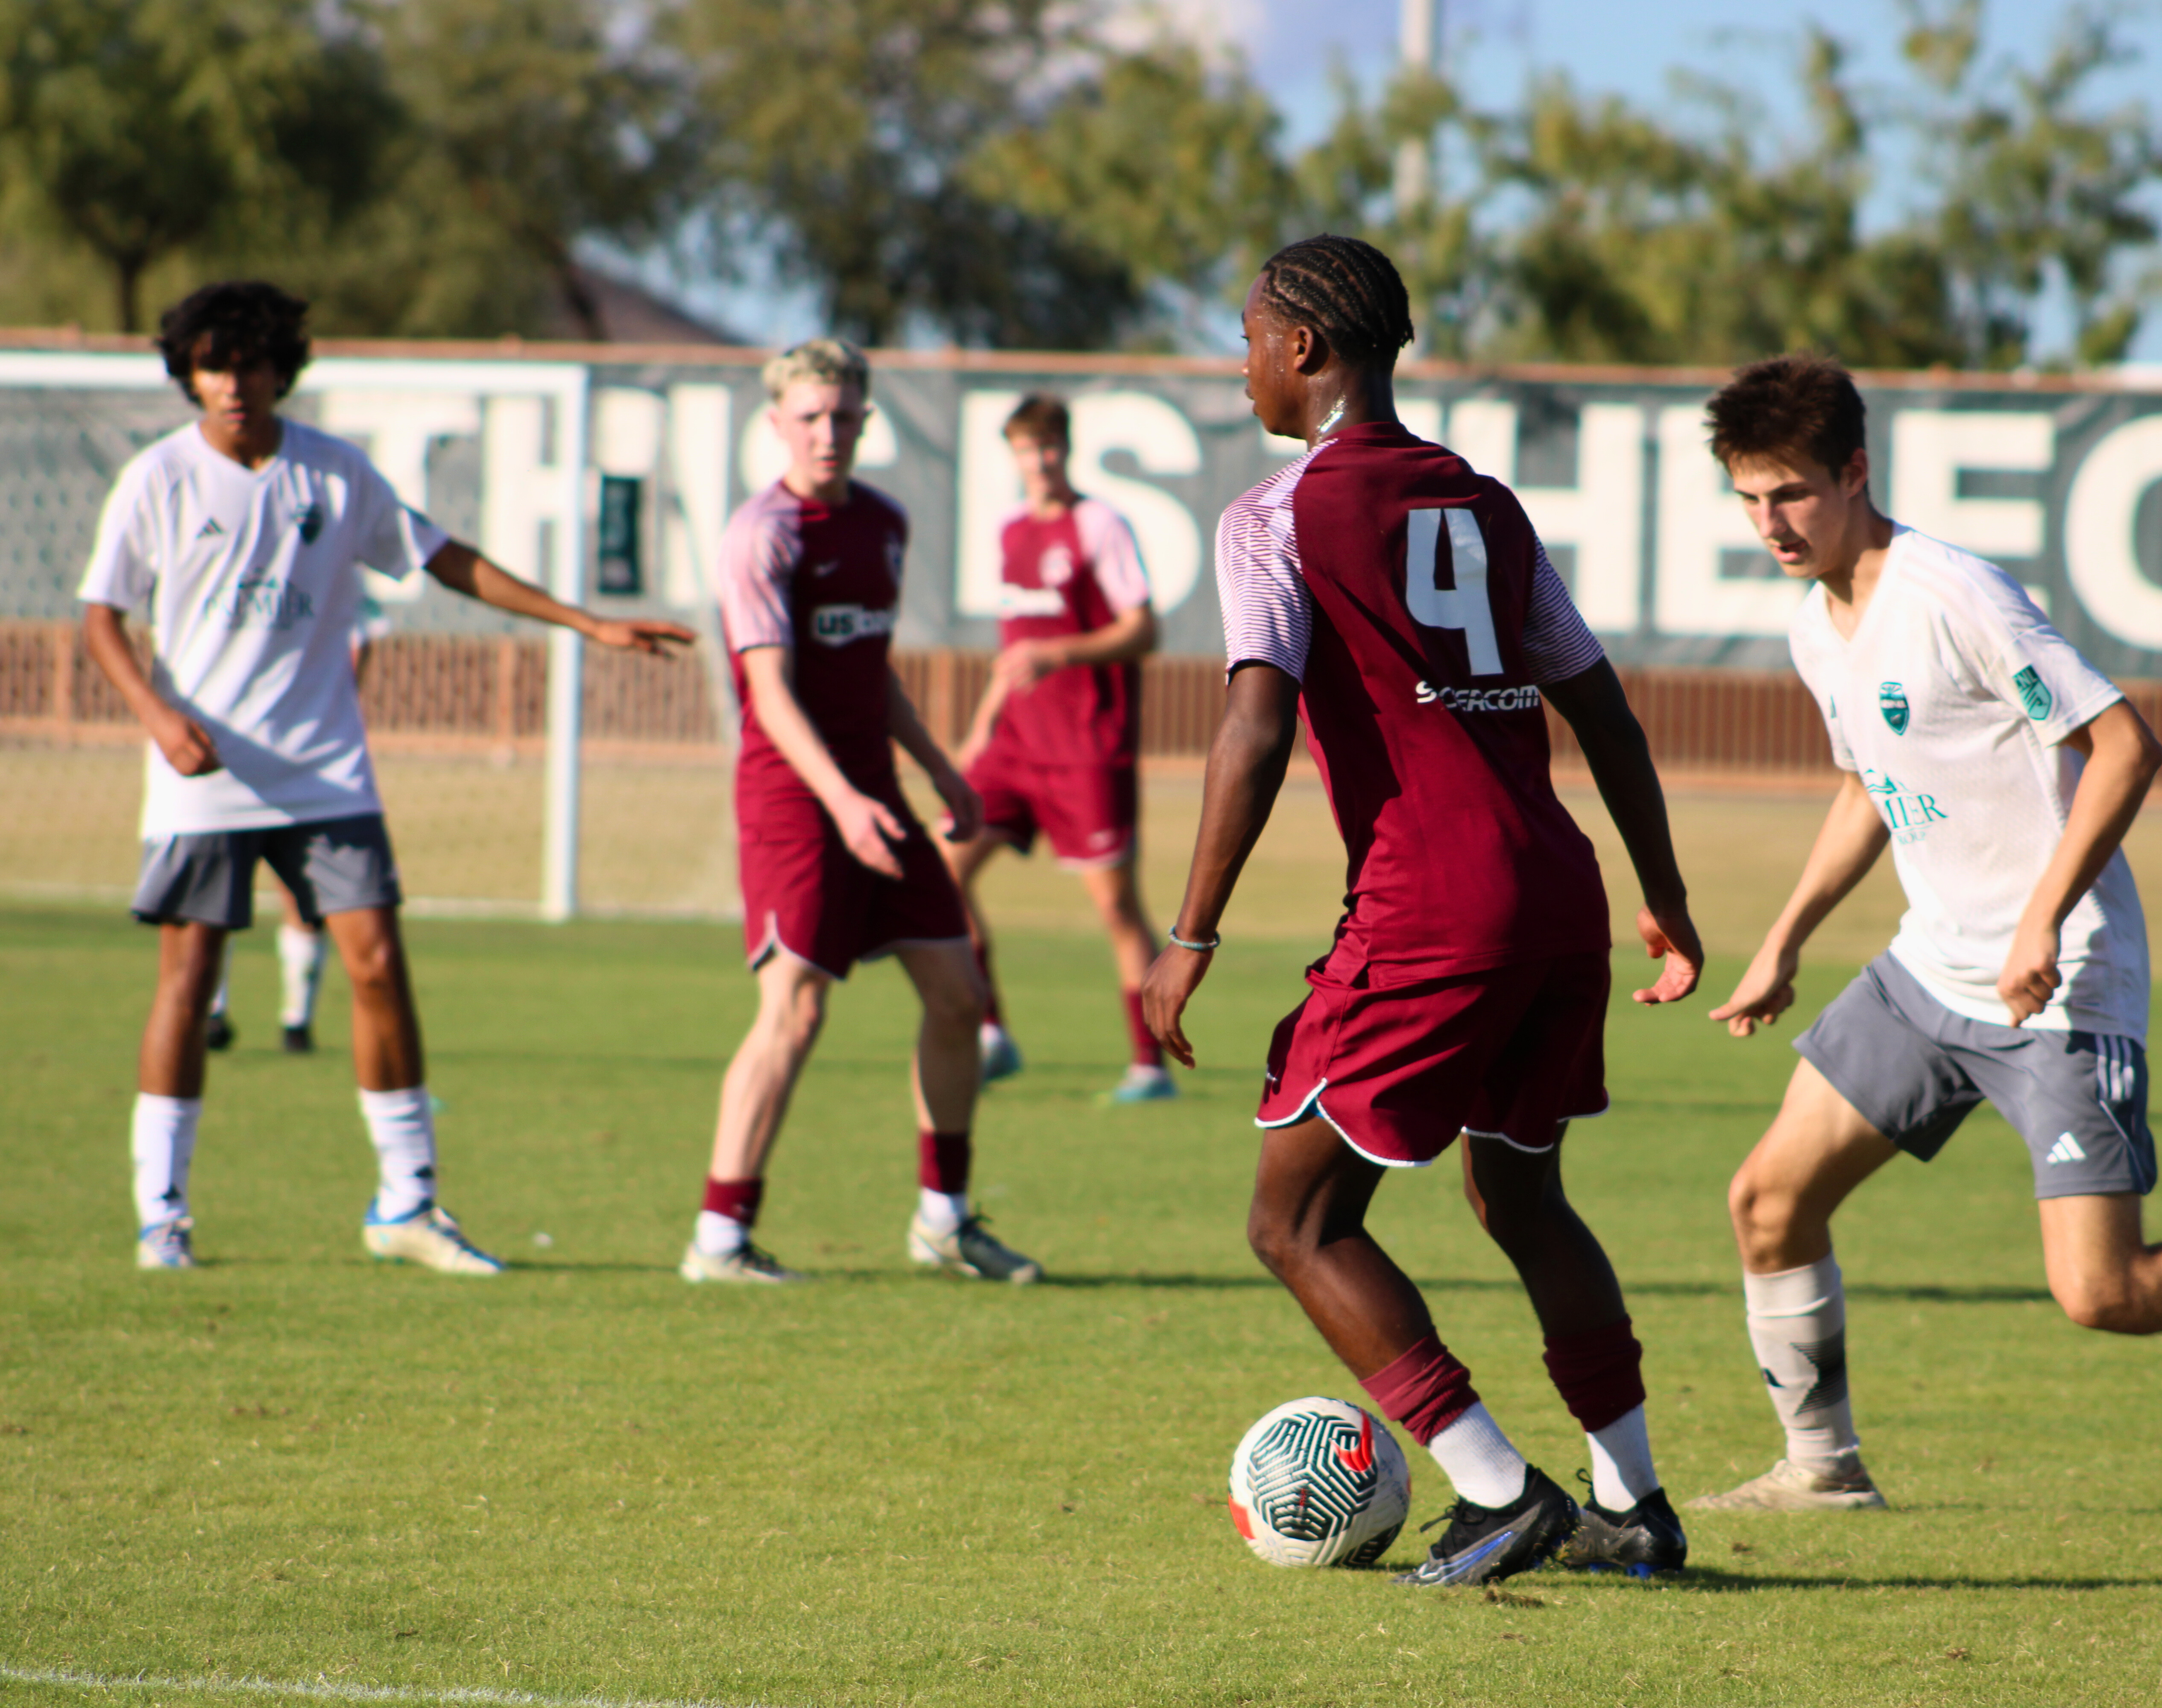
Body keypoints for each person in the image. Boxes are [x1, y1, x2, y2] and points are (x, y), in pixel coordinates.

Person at [1690, 353, 2162, 1512]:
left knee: (2102, 1294)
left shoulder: (1953, 592)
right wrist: (1786, 939)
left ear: (1856, 472)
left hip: (2057, 985)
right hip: (1930, 970)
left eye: (1792, 493)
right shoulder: (1819, 627)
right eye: (1751, 499)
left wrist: (2043, 920)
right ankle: (1822, 1470)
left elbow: (2126, 746)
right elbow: (1868, 786)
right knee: (1767, 1201)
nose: (1772, 522)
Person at [1141, 236, 1707, 1586]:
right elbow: (1603, 711)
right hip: (1557, 891)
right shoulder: (1491, 507)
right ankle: (1632, 1504)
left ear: (1303, 347)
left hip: (1432, 904)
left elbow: (1255, 724)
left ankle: (1498, 1490)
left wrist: (1189, 934)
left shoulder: (1274, 515)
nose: (1239, 367)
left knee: (1296, 1222)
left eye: (1246, 338)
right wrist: (1664, 898)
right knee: (1522, 1199)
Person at [83, 279, 694, 1274]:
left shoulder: (335, 474)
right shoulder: (159, 479)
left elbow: (450, 559)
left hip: (327, 772)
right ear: (188, 376)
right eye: (212, 366)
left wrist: (586, 623)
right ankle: (163, 1214)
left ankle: (408, 1205)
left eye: (251, 363)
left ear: (284, 368)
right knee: (189, 982)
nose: (233, 384)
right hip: (204, 773)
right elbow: (101, 616)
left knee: (376, 965)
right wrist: (158, 718)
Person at [681, 337, 1043, 1289]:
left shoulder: (882, 522)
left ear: (866, 421)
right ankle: (719, 1237)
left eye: (844, 416)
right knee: (794, 1009)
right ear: (777, 424)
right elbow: (770, 690)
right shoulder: (762, 535)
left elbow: (866, 668)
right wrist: (839, 798)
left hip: (872, 796)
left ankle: (945, 1220)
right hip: (793, 800)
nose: (828, 432)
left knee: (960, 994)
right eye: (809, 416)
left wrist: (939, 770)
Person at [941, 393, 1172, 1104]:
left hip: (1085, 747)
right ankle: (991, 1035)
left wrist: (1062, 653)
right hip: (1014, 746)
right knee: (940, 872)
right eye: (1025, 450)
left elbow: (1145, 630)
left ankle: (1151, 1065)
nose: (1038, 462)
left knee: (1116, 907)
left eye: (1049, 448)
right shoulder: (1010, 532)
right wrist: (979, 728)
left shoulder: (1100, 524)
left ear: (1065, 451)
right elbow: (1015, 649)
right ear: (1011, 456)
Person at [204, 591, 387, 1057]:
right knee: (219, 892)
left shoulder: (330, 552)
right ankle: (216, 1012)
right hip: (232, 753)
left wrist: (327, 712)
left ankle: (296, 1020)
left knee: (302, 892)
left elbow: (359, 643)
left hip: (307, 759)